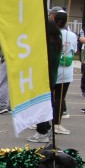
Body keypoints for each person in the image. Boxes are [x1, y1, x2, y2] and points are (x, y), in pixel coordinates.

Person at [27, 16, 68, 144]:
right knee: (46, 103)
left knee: (40, 104)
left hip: (43, 77)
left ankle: (42, 131)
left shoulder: (48, 44)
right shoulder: (57, 41)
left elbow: (42, 60)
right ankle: (46, 128)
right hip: (51, 77)